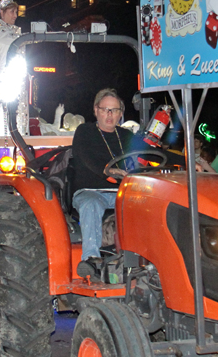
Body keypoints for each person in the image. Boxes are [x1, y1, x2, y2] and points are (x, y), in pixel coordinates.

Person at [71, 89, 180, 278]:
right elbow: (86, 157)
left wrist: (187, 161)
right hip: (91, 190)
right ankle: (91, 260)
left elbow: (148, 151)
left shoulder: (125, 136)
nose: (109, 115)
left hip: (121, 192)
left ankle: (154, 262)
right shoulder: (84, 132)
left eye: (114, 110)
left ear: (121, 114)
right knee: (91, 203)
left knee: (152, 203)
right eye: (105, 109)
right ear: (96, 110)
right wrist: (107, 170)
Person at [0, 0, 27, 136]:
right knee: (2, 121)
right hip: (3, 81)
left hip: (15, 81)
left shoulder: (14, 32)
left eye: (16, 12)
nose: (15, 15)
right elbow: (12, 43)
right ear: (1, 13)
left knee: (17, 118)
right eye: (12, 12)